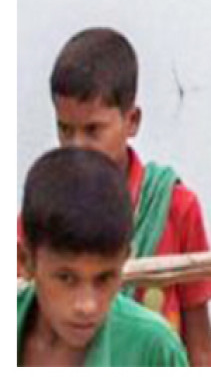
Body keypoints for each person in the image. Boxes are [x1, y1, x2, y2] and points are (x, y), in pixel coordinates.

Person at [17, 28, 211, 366]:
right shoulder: (45, 211)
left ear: (132, 121)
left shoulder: (173, 206)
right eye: (65, 129)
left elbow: (199, 337)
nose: (77, 147)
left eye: (93, 130)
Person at [18, 147, 188, 367]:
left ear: (125, 260)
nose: (87, 306)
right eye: (66, 278)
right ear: (26, 261)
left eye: (104, 278)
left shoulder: (154, 350)